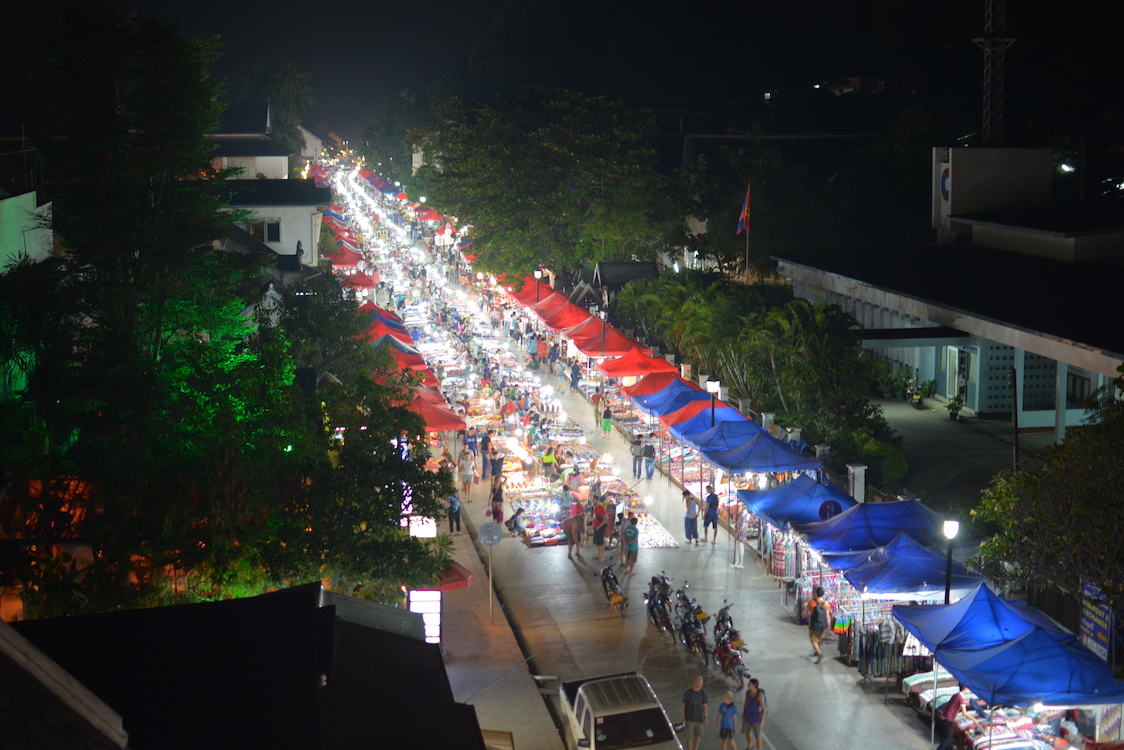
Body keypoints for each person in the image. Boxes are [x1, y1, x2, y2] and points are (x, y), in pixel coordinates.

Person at [936, 684, 978, 750]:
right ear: (965, 688)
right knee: (948, 737)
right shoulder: (960, 698)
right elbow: (965, 713)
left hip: (945, 717)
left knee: (949, 737)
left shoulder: (956, 695)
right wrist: (974, 720)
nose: (969, 690)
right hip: (948, 719)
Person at [680, 675, 708, 750]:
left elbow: (704, 706)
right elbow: (683, 706)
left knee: (698, 735)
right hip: (689, 718)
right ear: (695, 683)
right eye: (700, 683)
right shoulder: (687, 693)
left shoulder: (703, 692)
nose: (702, 684)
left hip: (699, 718)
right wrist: (683, 717)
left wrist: (705, 717)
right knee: (689, 737)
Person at [741, 679, 766, 750]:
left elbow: (763, 710)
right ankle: (750, 744)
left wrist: (762, 721)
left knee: (758, 736)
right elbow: (746, 703)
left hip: (756, 718)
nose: (748, 685)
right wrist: (744, 713)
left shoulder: (760, 696)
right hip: (748, 716)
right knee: (747, 732)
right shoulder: (747, 693)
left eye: (750, 684)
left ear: (755, 686)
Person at [807, 585, 829, 663]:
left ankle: (819, 654)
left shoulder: (811, 602)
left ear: (816, 593)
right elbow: (827, 616)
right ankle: (817, 651)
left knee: (813, 640)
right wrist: (828, 625)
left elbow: (809, 614)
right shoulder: (826, 603)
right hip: (822, 624)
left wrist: (809, 624)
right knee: (819, 638)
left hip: (814, 624)